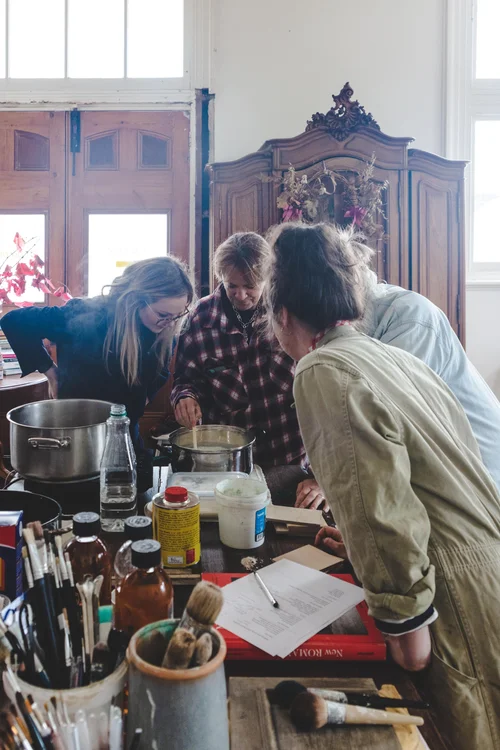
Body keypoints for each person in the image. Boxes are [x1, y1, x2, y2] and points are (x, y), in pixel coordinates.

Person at [265, 221, 500, 749]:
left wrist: (404, 622)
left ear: (282, 314)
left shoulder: (324, 367)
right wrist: (358, 547)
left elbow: (383, 511)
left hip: (452, 593)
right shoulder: (394, 358)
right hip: (487, 569)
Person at [1, 256, 194, 488]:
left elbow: (162, 368)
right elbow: (14, 321)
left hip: (126, 441)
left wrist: (146, 395)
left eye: (176, 316)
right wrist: (51, 373)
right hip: (75, 445)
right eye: (163, 315)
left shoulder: (165, 328)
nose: (169, 323)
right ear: (136, 300)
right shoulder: (84, 314)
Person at [171, 231, 324, 508]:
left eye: (250, 286)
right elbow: (186, 378)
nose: (240, 295)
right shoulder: (201, 318)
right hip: (228, 463)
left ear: (268, 277)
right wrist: (185, 397)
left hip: (290, 459)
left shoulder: (289, 314)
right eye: (232, 286)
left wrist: (321, 475)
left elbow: (321, 396)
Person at [351, 245, 500, 491]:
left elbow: (384, 421)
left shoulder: (410, 316)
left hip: (481, 478)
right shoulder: (363, 321)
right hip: (446, 473)